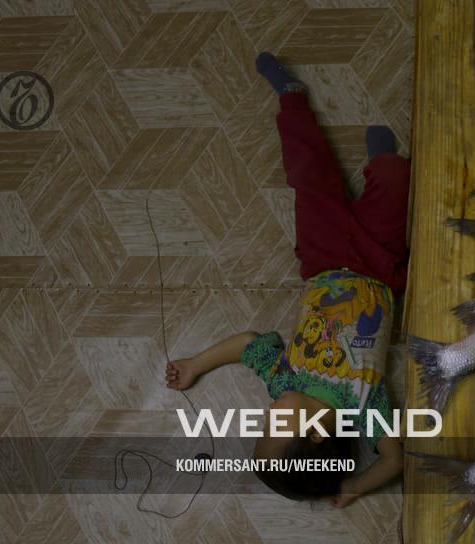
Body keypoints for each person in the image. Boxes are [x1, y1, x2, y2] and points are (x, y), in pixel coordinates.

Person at [165, 52, 409, 507]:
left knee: (308, 179)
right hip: (380, 266)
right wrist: (354, 486)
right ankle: (382, 164)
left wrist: (197, 363)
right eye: (274, 428)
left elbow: (247, 342)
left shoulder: (284, 384)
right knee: (397, 182)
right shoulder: (363, 406)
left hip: (323, 258)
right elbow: (394, 460)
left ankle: (291, 100)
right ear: (315, 435)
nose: (267, 416)